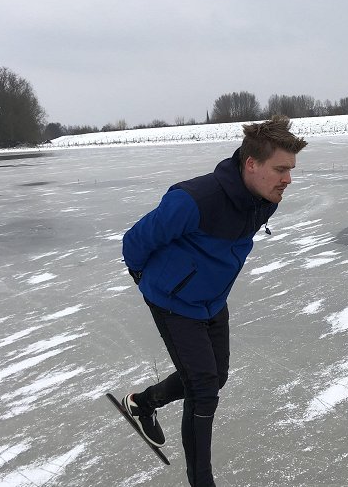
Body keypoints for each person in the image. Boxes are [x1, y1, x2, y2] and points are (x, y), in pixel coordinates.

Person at [121, 115, 307, 486]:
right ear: (251, 164)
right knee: (203, 389)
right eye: (281, 169)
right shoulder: (194, 200)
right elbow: (135, 241)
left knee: (214, 376)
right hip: (172, 301)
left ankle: (144, 402)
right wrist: (154, 283)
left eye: (291, 170)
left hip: (211, 299)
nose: (288, 179)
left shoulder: (264, 198)